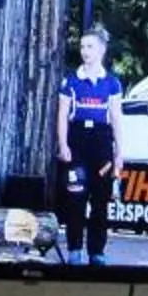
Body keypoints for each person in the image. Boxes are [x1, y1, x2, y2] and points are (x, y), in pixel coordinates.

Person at [54, 25, 124, 266]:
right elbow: (62, 115)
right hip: (77, 143)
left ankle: (97, 252)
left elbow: (116, 119)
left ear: (102, 50)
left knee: (100, 201)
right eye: (82, 46)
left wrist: (120, 153)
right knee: (76, 197)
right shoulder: (70, 81)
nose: (85, 51)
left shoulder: (112, 83)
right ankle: (74, 249)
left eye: (90, 46)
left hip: (102, 144)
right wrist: (63, 144)